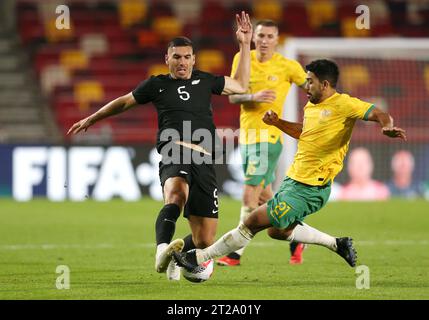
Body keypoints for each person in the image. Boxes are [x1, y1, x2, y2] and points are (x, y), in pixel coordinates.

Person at [173, 59, 407, 273]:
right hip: (292, 181)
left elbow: (379, 113)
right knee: (278, 231)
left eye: (310, 82)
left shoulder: (344, 104)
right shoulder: (312, 106)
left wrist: (386, 126)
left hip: (311, 189)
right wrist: (277, 123)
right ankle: (338, 244)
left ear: (324, 84)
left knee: (252, 222)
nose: (305, 86)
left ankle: (199, 258)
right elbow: (305, 132)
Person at [67, 11, 253, 281]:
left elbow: (242, 85)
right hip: (174, 149)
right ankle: (162, 250)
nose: (182, 62)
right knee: (176, 194)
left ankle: (177, 257)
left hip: (204, 159)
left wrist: (245, 44)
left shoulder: (206, 81)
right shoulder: (156, 84)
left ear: (193, 59)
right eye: (176, 57)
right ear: (167, 59)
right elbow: (123, 101)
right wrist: (92, 118)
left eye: (187, 57)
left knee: (204, 238)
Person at [217, 20, 308, 267]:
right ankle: (299, 236)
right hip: (247, 138)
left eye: (270, 36)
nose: (265, 40)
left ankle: (234, 253)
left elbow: (312, 88)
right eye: (261, 35)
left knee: (249, 197)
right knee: (266, 201)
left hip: (267, 139)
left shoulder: (288, 66)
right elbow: (233, 97)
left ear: (277, 40)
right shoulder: (242, 58)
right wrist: (252, 97)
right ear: (254, 38)